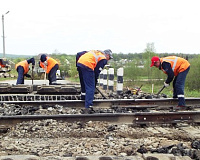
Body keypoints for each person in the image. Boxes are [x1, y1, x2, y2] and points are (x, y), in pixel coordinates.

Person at [77, 49, 113, 114]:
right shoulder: (103, 58)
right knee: (91, 87)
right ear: (107, 55)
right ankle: (88, 106)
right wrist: (94, 80)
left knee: (84, 83)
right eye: (109, 58)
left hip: (80, 63)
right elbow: (97, 71)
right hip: (88, 65)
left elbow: (79, 53)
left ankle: (83, 98)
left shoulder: (95, 52)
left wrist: (77, 64)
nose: (108, 60)